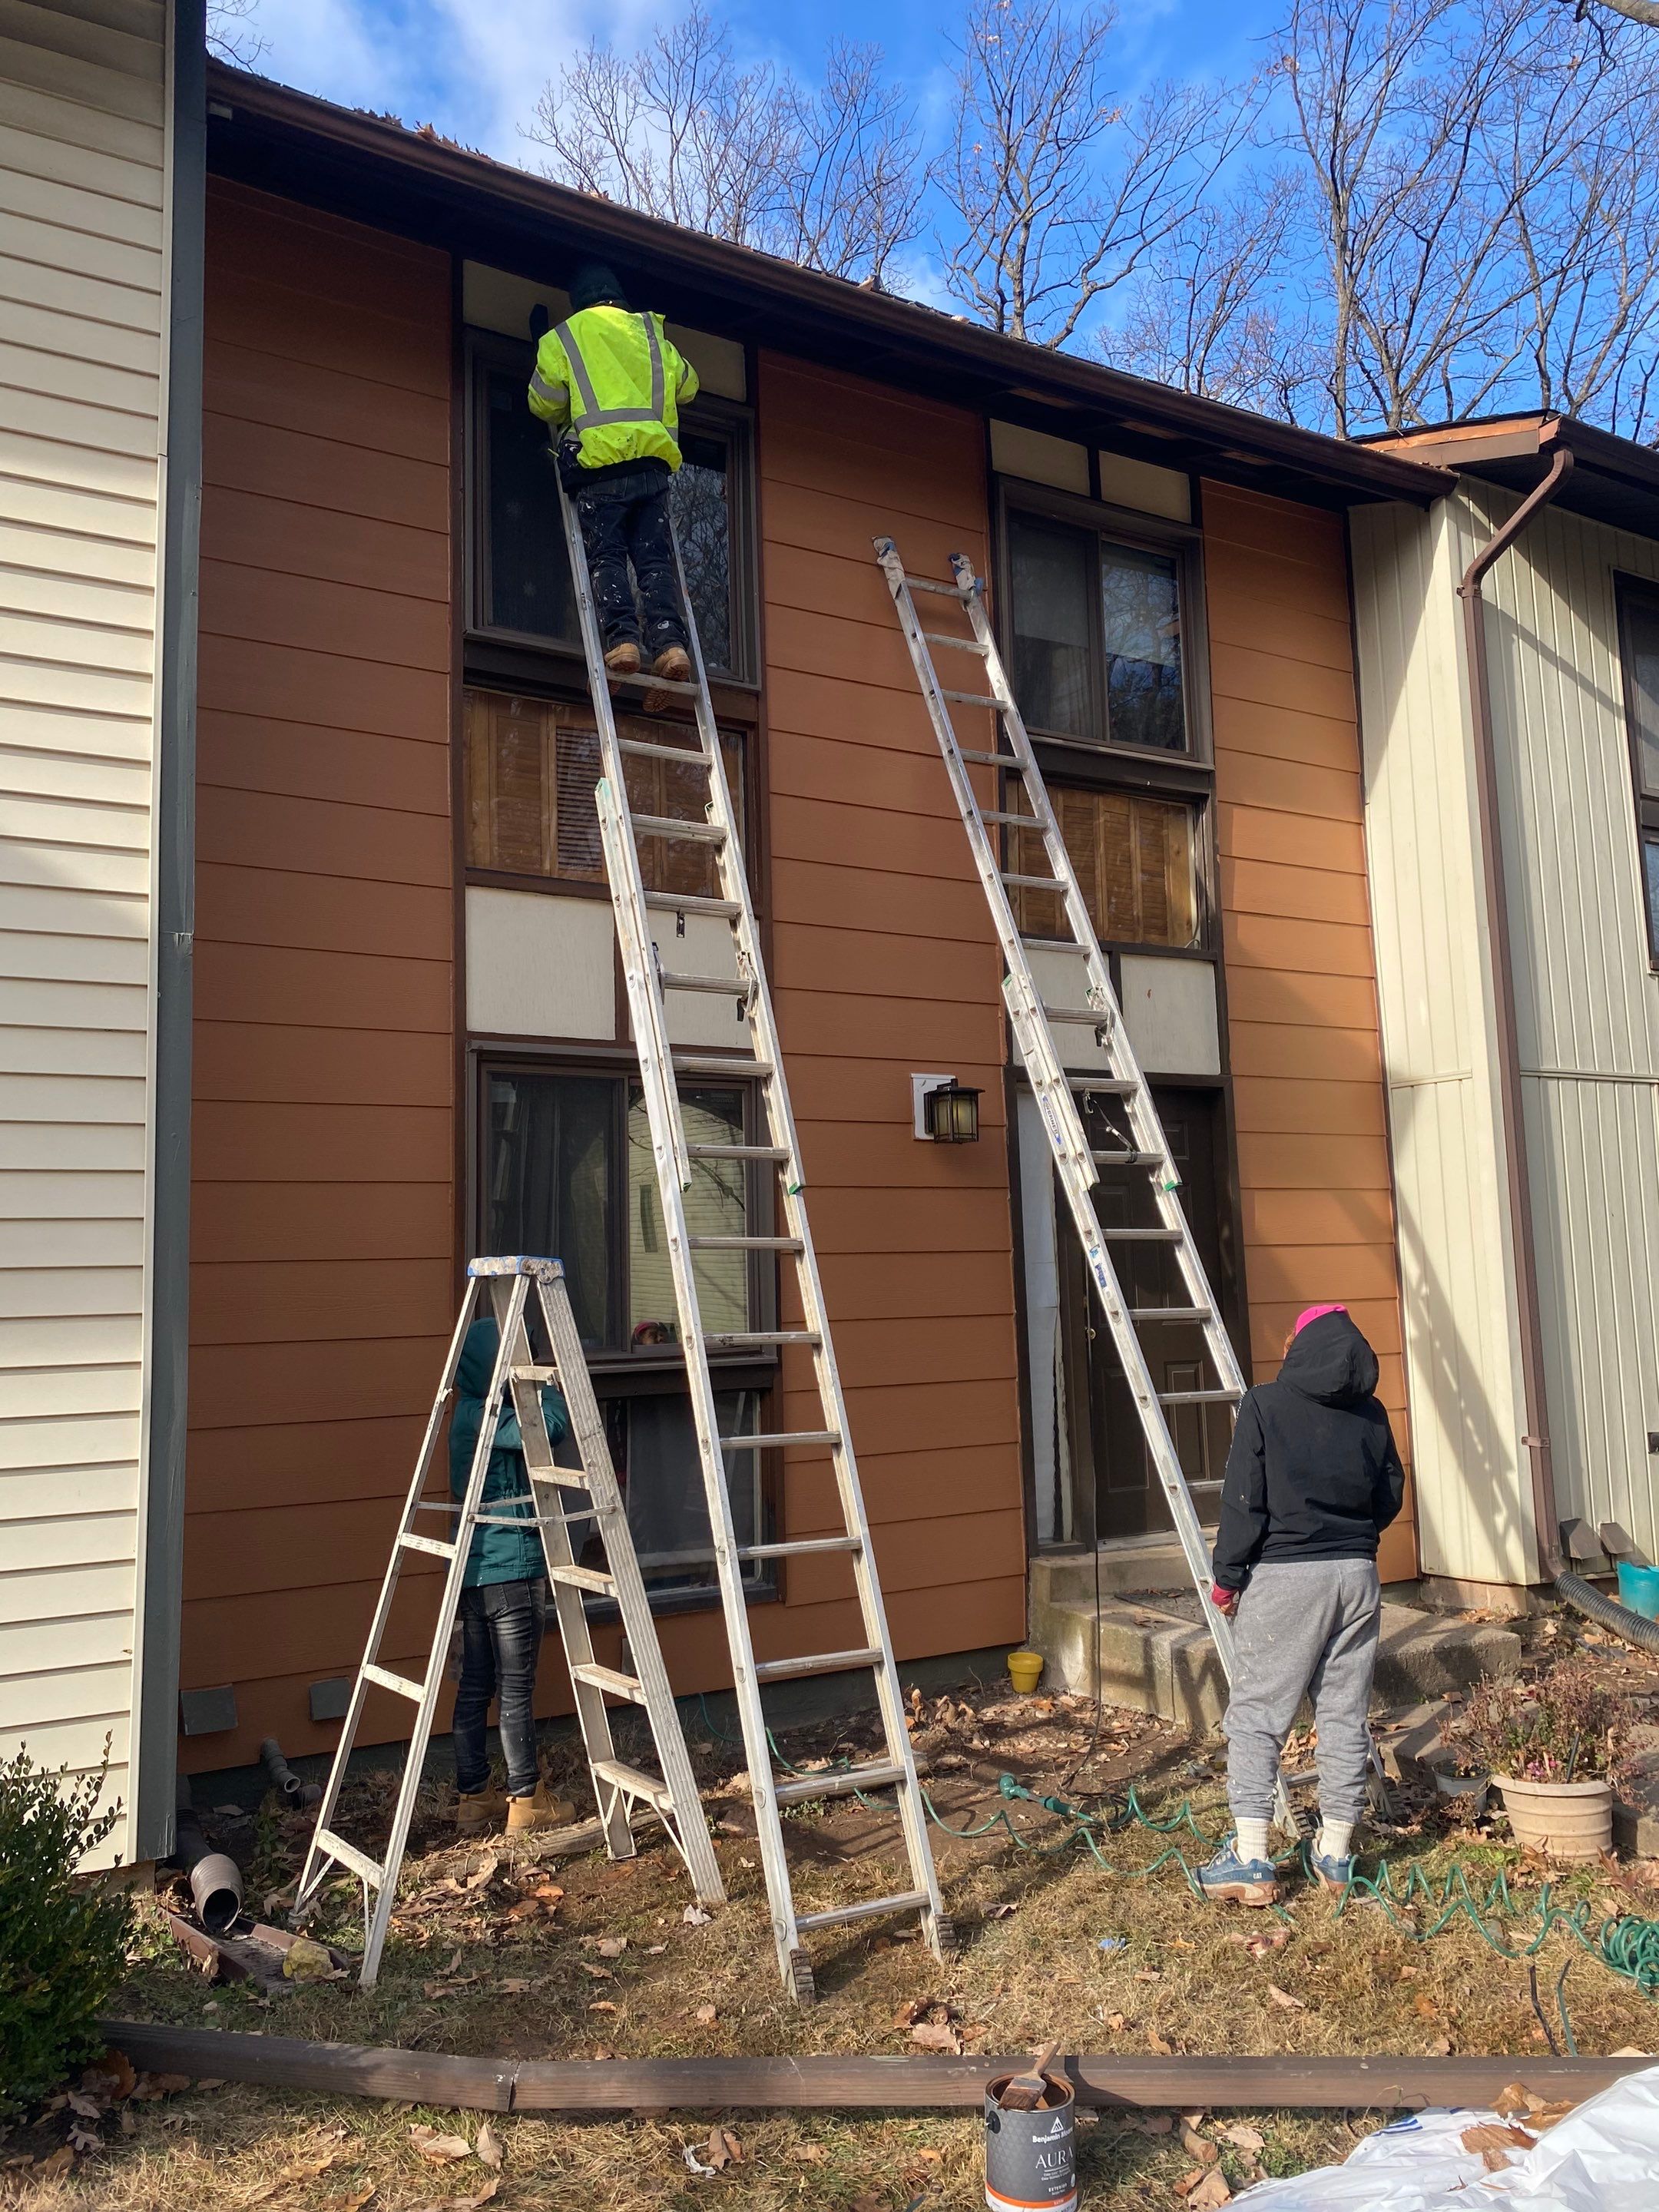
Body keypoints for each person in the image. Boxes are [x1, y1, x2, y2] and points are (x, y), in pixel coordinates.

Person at [1197, 1303, 1406, 1906]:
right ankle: (1337, 1852)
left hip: (1287, 1576)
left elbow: (1244, 1501)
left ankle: (1252, 1859)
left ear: (1300, 1345)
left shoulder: (1265, 1404)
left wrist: (1227, 1575)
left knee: (1259, 1717)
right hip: (1358, 1575)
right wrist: (1355, 1542)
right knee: (1343, 1714)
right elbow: (1389, 1492)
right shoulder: (1370, 1413)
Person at [527, 261, 700, 685]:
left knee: (607, 556)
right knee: (654, 561)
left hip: (601, 469)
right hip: (653, 471)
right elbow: (689, 386)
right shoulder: (650, 333)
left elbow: (543, 403)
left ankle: (623, 642)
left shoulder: (564, 337)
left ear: (578, 302)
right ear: (618, 297)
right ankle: (671, 647)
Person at [449, 1316, 575, 1837]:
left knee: (475, 1686)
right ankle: (527, 1800)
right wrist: (551, 1384)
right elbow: (552, 1430)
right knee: (516, 1687)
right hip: (513, 1567)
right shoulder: (495, 1418)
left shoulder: (465, 1414)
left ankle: (473, 1796)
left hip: (475, 1570)